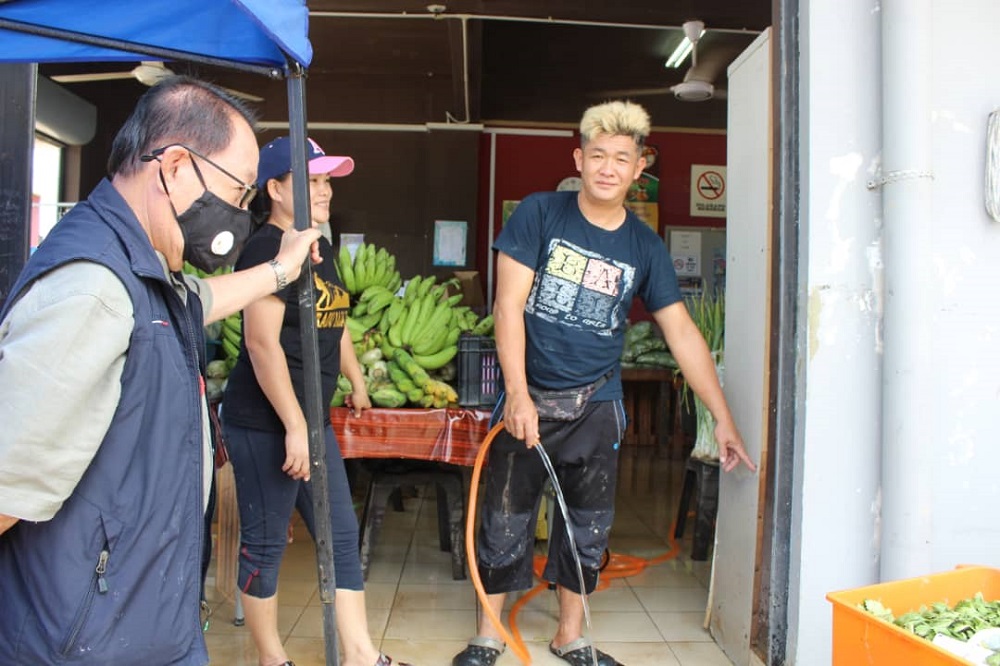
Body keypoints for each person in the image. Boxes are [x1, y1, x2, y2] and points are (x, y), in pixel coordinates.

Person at [0, 76, 322, 665]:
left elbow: (198, 300)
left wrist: (281, 270)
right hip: (84, 643)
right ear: (175, 167)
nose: (240, 213)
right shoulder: (92, 289)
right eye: (238, 190)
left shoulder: (144, 269)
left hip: (144, 629)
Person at [452, 101, 757, 666]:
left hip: (597, 404)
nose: (609, 168)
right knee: (503, 516)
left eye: (622, 158)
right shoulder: (540, 214)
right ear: (579, 159)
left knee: (586, 527)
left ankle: (571, 634)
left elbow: (683, 334)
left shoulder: (644, 246)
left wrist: (723, 418)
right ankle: (489, 633)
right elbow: (508, 304)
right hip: (528, 398)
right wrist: (517, 393)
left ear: (639, 167)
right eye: (598, 156)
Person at [221, 136, 411, 666]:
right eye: (312, 181)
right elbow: (260, 345)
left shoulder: (316, 244)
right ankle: (270, 659)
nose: (325, 190)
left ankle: (359, 654)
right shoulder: (266, 249)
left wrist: (355, 379)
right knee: (266, 544)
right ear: (276, 188)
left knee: (340, 536)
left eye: (327, 180)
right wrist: (295, 425)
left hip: (308, 418)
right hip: (265, 423)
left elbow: (334, 318)